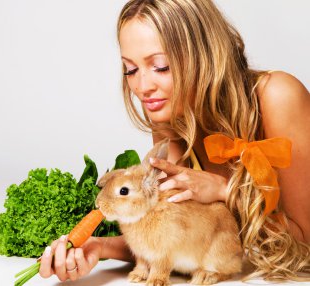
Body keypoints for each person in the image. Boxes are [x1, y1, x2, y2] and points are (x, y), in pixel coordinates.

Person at [39, 0, 310, 282]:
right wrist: (98, 246)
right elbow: (172, 237)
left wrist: (223, 190)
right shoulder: (172, 119)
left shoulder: (278, 96)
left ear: (203, 56)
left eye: (161, 66)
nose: (142, 88)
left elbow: (305, 244)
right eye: (130, 70)